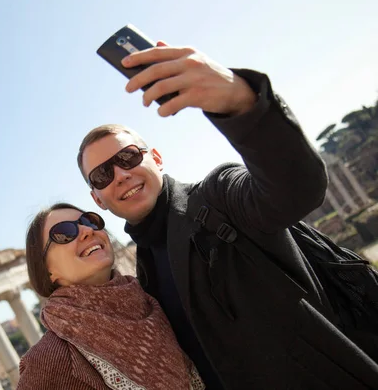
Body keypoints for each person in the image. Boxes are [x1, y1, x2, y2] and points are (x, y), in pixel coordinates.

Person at [77, 42, 378, 389]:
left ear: (156, 158)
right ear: (97, 198)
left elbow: (297, 188)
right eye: (102, 176)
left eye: (128, 157)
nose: (120, 175)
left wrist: (242, 104)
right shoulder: (143, 277)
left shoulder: (219, 195)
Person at [17, 203, 204, 390]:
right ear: (48, 271)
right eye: (64, 233)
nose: (86, 230)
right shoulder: (48, 360)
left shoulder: (157, 299)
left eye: (89, 221)